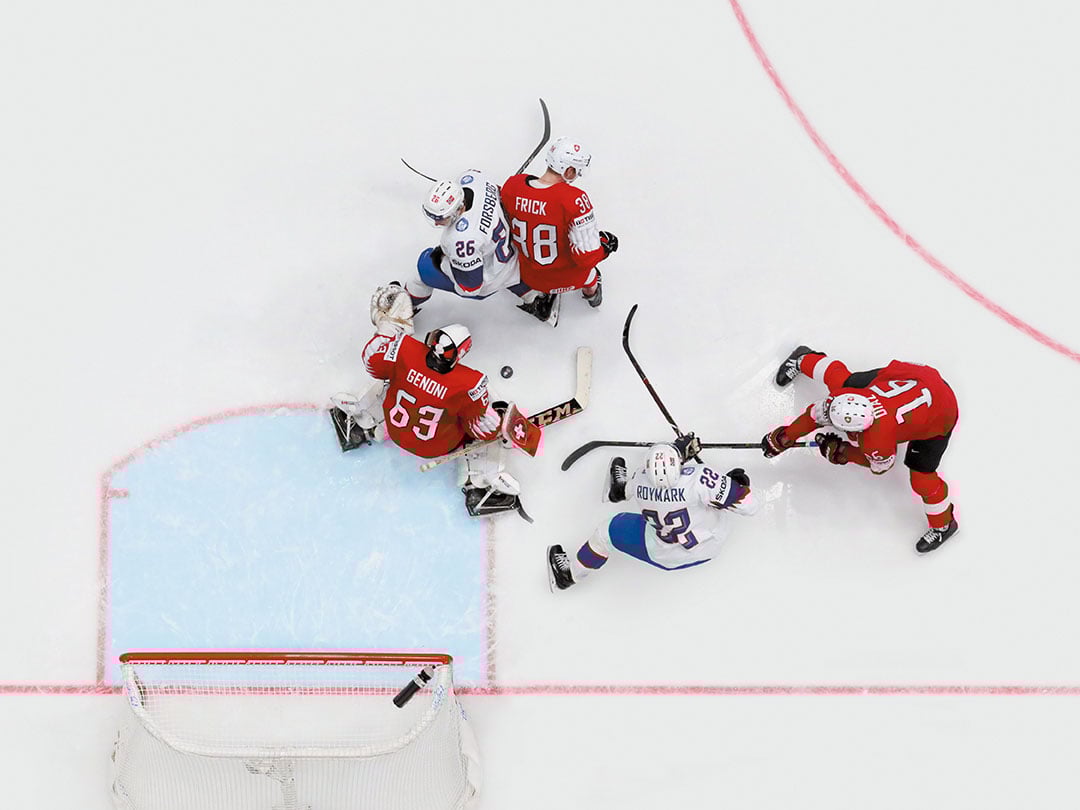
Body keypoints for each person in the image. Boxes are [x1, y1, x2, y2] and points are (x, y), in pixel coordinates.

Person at [329, 284, 525, 518]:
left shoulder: (406, 349)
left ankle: (363, 424)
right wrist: (499, 423)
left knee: (391, 380)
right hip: (435, 447)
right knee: (480, 431)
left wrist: (386, 327)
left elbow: (373, 364)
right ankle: (479, 486)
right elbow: (478, 427)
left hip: (394, 427)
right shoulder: (469, 383)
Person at [762, 346, 959, 553]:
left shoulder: (877, 441)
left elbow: (880, 466)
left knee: (922, 479)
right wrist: (785, 437)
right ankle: (803, 358)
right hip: (918, 379)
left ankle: (943, 525)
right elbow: (815, 415)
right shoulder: (846, 396)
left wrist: (844, 453)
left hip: (940, 411)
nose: (827, 419)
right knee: (844, 380)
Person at [547, 435, 758, 591]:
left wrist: (676, 450)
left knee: (604, 533)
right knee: (710, 501)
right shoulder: (701, 478)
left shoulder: (640, 479)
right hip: (712, 543)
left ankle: (570, 575)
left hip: (665, 552)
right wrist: (731, 487)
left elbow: (650, 477)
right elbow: (751, 506)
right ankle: (565, 578)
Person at [500, 136, 618, 325]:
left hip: (529, 275)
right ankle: (592, 295)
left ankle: (539, 296)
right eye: (577, 171)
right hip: (568, 278)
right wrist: (605, 247)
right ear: (569, 170)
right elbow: (586, 257)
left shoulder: (513, 186)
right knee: (590, 273)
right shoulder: (574, 200)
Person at [405, 170, 533, 312]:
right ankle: (532, 295)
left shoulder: (460, 239)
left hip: (495, 272)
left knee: (425, 265)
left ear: (458, 209)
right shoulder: (473, 178)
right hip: (513, 249)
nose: (436, 223)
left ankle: (403, 307)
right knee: (488, 256)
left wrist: (443, 263)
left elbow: (471, 287)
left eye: (440, 218)